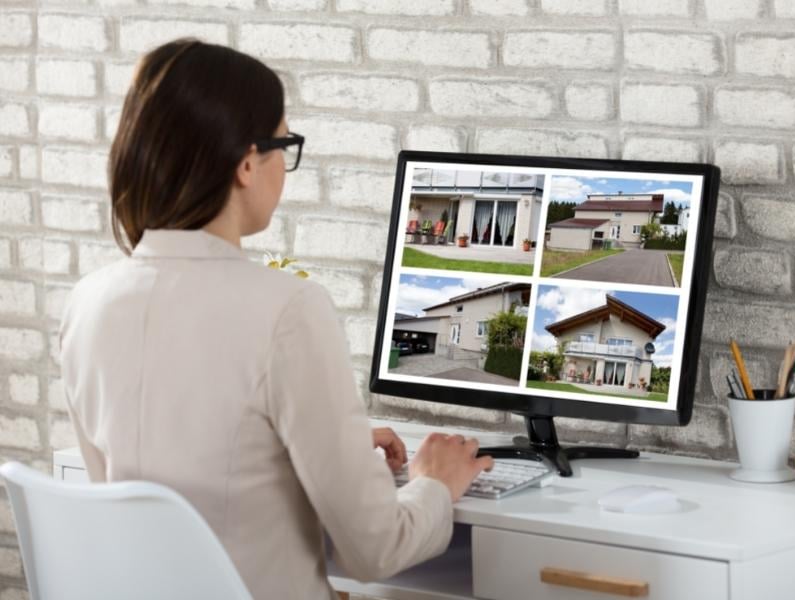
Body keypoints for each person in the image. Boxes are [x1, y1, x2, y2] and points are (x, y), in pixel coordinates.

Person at [59, 39, 493, 600]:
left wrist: (320, 444)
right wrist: (436, 484)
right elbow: (375, 550)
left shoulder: (88, 302)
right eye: (283, 145)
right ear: (246, 162)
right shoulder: (287, 309)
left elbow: (154, 496)